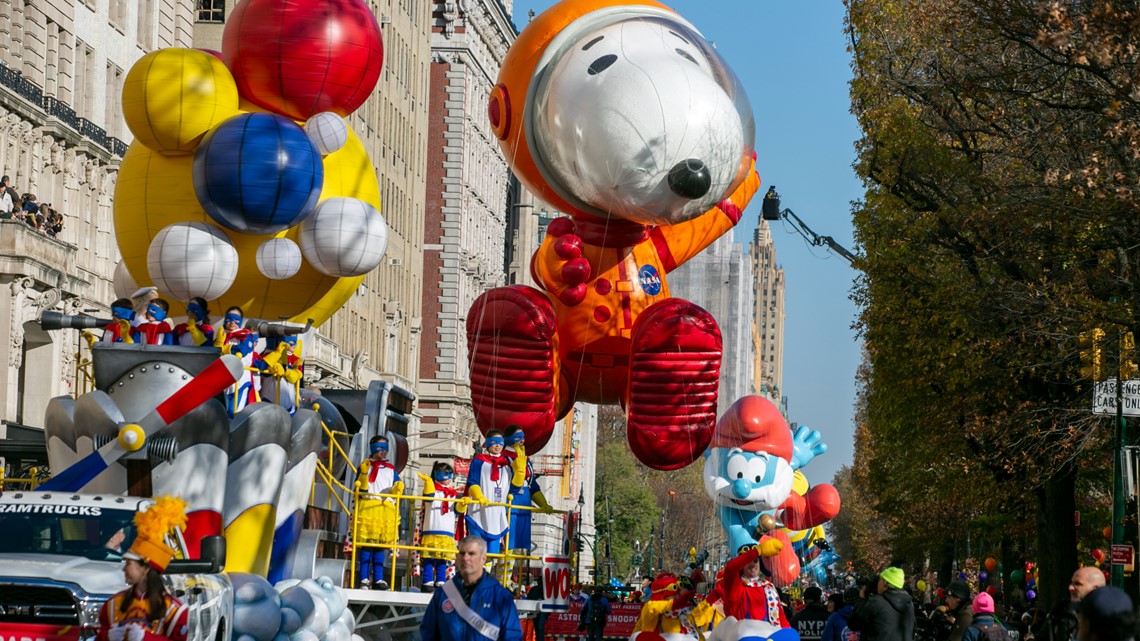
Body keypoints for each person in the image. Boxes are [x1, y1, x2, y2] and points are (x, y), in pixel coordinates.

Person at [96, 496, 189, 641]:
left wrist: (146, 638)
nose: (124, 569)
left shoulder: (174, 610)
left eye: (128, 563)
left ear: (145, 569)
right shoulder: (113, 604)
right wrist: (106, 636)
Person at [421, 535, 523, 641]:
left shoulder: (500, 596)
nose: (466, 558)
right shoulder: (443, 594)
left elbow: (512, 636)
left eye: (471, 554)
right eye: (462, 553)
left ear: (483, 559)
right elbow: (428, 632)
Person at [464, 430, 527, 568]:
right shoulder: (479, 460)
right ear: (487, 443)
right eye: (494, 442)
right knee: (476, 550)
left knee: (492, 555)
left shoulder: (508, 463)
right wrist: (478, 495)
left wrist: (520, 473)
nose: (497, 446)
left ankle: (483, 581)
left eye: (500, 443)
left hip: (497, 515)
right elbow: (472, 481)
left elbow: (514, 490)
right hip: (478, 512)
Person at [501, 425, 554, 578]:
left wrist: (543, 503)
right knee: (505, 547)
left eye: (523, 436)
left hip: (524, 505)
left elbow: (532, 485)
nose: (522, 440)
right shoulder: (503, 457)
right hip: (509, 502)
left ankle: (508, 580)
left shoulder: (527, 460)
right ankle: (498, 580)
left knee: (518, 549)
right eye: (518, 436)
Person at [355, 434, 403, 590]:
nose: (383, 452)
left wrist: (397, 488)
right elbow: (361, 490)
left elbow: (396, 485)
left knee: (380, 548)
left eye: (386, 449)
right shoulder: (365, 466)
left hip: (385, 511)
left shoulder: (391, 469)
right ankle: (363, 578)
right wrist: (363, 474)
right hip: (369, 508)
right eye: (380, 448)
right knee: (366, 546)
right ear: (372, 448)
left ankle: (378, 579)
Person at [418, 461, 467, 590]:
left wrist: (463, 503)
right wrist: (428, 482)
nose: (449, 478)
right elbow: (428, 498)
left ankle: (440, 580)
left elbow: (457, 511)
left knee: (442, 559)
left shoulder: (453, 494)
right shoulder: (433, 491)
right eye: (445, 474)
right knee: (429, 558)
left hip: (447, 531)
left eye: (450, 474)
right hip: (432, 529)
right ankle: (427, 580)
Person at [719, 542, 791, 626]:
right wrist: (757, 551)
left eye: (756, 561)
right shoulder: (736, 587)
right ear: (741, 565)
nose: (752, 565)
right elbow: (731, 569)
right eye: (748, 561)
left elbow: (781, 618)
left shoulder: (768, 587)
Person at [847, 567, 916, 641]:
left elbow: (853, 624)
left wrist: (861, 600)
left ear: (885, 582)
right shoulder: (909, 604)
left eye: (879, 580)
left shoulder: (876, 602)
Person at [213, 306, 260, 415]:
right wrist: (218, 344)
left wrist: (226, 349)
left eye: (236, 319)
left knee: (235, 412)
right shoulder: (222, 335)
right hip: (224, 381)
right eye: (229, 319)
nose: (232, 322)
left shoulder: (246, 335)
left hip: (241, 380)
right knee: (222, 413)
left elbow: (243, 349)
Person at [1039, 568, 1106, 641]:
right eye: (1071, 583)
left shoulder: (1110, 618)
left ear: (1096, 589)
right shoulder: (1060, 611)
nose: (1070, 587)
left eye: (1078, 584)